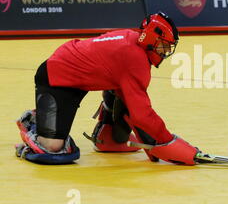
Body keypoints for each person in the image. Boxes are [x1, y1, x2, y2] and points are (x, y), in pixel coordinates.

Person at [15, 12, 200, 166]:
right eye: (163, 46)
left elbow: (132, 105)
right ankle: (31, 122)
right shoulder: (135, 60)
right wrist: (169, 141)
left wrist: (154, 146)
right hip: (55, 78)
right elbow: (141, 115)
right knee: (53, 149)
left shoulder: (132, 39)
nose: (165, 52)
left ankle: (109, 138)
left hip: (74, 75)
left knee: (124, 92)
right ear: (151, 39)